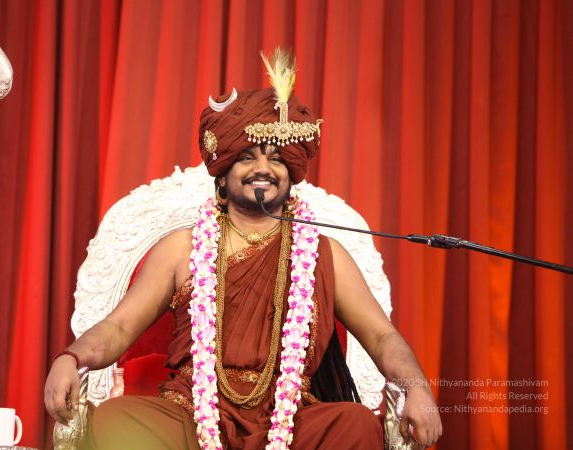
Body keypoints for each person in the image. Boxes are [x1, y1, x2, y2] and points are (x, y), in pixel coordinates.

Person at [45, 49, 442, 449]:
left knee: (355, 425)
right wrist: (71, 358)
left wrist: (417, 388)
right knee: (117, 419)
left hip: (291, 420)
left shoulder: (326, 254)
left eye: (276, 159)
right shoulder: (182, 247)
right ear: (223, 173)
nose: (262, 169)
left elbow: (382, 337)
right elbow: (119, 327)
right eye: (247, 157)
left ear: (291, 173)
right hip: (191, 415)